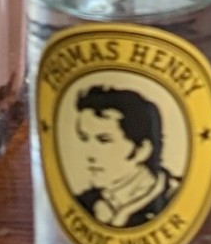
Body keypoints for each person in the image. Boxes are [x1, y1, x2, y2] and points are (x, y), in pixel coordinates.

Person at [71, 84, 182, 230]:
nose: (89, 154)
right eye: (84, 138)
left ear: (141, 150)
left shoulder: (177, 198)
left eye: (104, 140)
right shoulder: (83, 203)